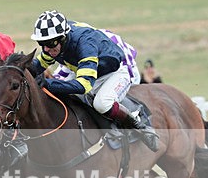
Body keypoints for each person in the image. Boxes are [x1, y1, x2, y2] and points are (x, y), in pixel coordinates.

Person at [28, 10, 159, 152]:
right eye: (42, 43)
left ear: (63, 38)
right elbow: (39, 64)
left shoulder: (85, 43)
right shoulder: (54, 44)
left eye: (50, 43)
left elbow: (84, 85)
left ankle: (140, 127)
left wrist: (48, 84)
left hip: (116, 72)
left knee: (102, 103)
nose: (46, 49)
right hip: (91, 71)